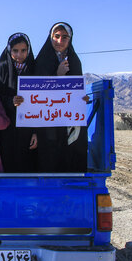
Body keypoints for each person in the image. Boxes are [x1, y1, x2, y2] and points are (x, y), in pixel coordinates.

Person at [34, 22, 88, 173]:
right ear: (50, 37)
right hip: (47, 120)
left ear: (70, 39)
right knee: (49, 158)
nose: (60, 41)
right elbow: (38, 92)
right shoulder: (42, 61)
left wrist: (81, 98)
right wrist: (58, 75)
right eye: (56, 36)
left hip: (68, 119)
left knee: (71, 155)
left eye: (64, 37)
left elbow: (76, 90)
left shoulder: (75, 61)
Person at [0, 32, 38, 173]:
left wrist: (36, 132)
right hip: (6, 129)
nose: (19, 55)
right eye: (15, 51)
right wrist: (10, 101)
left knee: (27, 165)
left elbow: (43, 102)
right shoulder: (2, 69)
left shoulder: (35, 69)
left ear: (28, 50)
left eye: (23, 50)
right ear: (9, 50)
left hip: (28, 130)